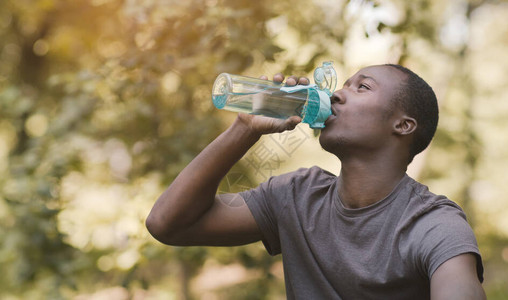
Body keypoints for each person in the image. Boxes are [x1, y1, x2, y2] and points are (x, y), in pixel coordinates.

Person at [146, 64, 486, 299]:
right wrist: (244, 129)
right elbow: (167, 224)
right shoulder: (297, 195)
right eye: (344, 84)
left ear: (403, 125)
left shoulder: (432, 223)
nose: (337, 94)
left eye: (362, 87)